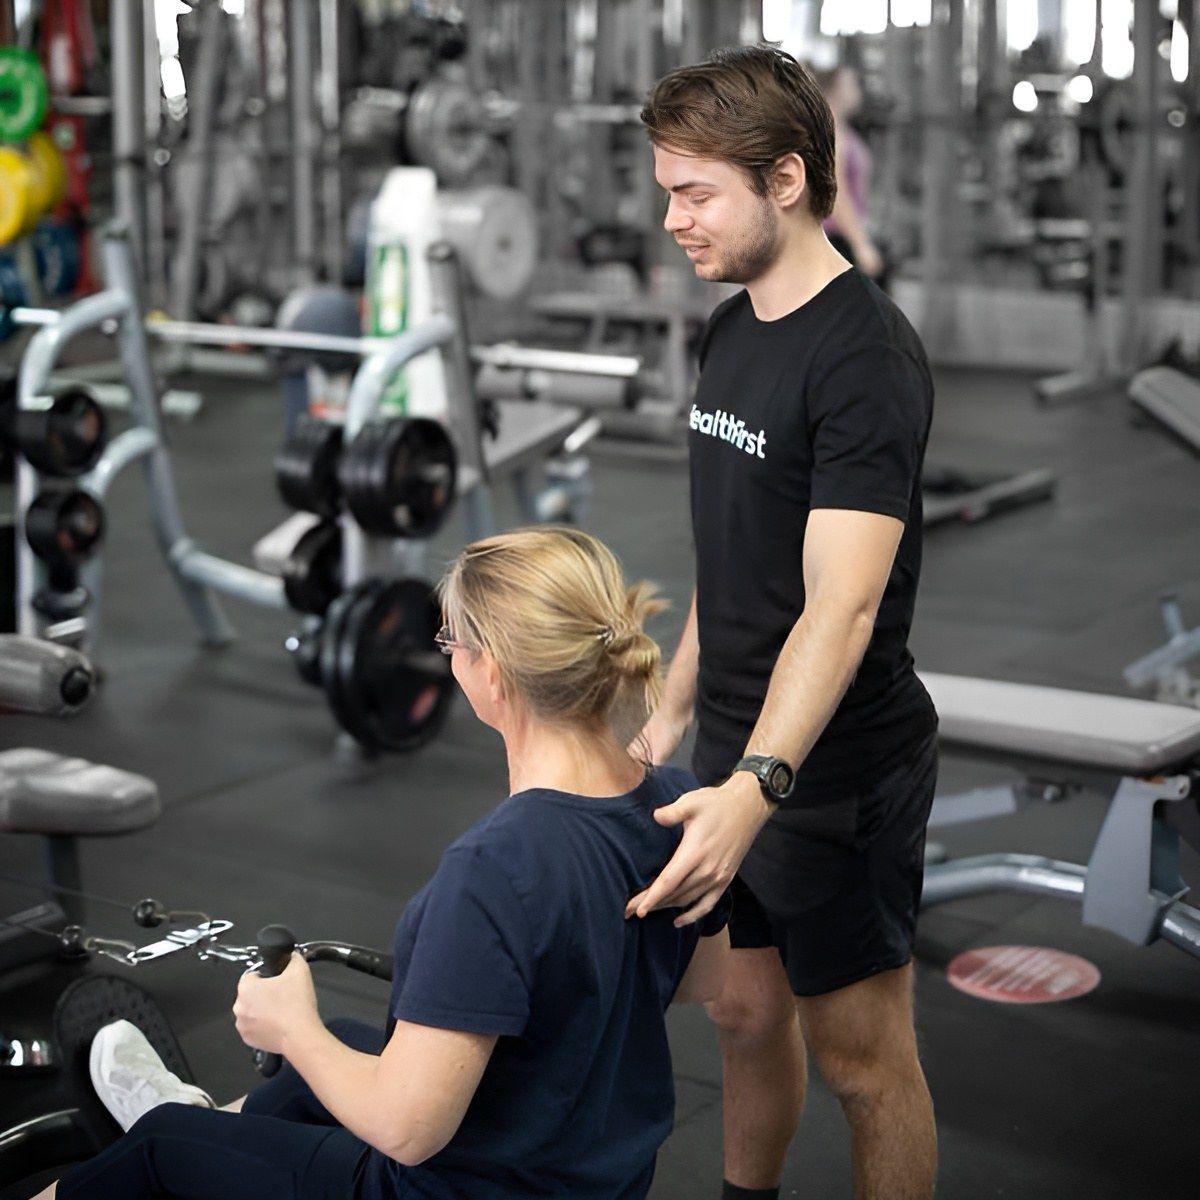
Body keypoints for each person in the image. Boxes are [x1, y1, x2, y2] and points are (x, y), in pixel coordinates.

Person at [36, 526, 731, 1200]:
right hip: (597, 1170)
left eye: (451, 642)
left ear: (490, 670)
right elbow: (705, 977)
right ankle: (208, 1121)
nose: (449, 657)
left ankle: (179, 1128)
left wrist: (290, 1028)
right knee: (338, 1048)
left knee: (161, 1146)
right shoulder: (679, 805)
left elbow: (408, 1131)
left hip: (458, 1187)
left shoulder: (495, 868)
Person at [629, 44, 939, 1200]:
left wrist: (758, 786)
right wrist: (673, 700)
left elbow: (842, 607)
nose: (673, 220)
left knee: (864, 1063)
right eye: (669, 190)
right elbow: (738, 545)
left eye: (695, 191)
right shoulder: (735, 323)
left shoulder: (864, 359)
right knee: (747, 1016)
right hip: (732, 739)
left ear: (789, 180)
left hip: (834, 768)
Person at [814, 64, 887, 285]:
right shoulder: (831, 131)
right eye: (852, 84)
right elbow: (836, 192)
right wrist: (860, 244)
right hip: (835, 238)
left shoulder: (842, 130)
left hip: (842, 235)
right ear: (836, 88)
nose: (858, 91)